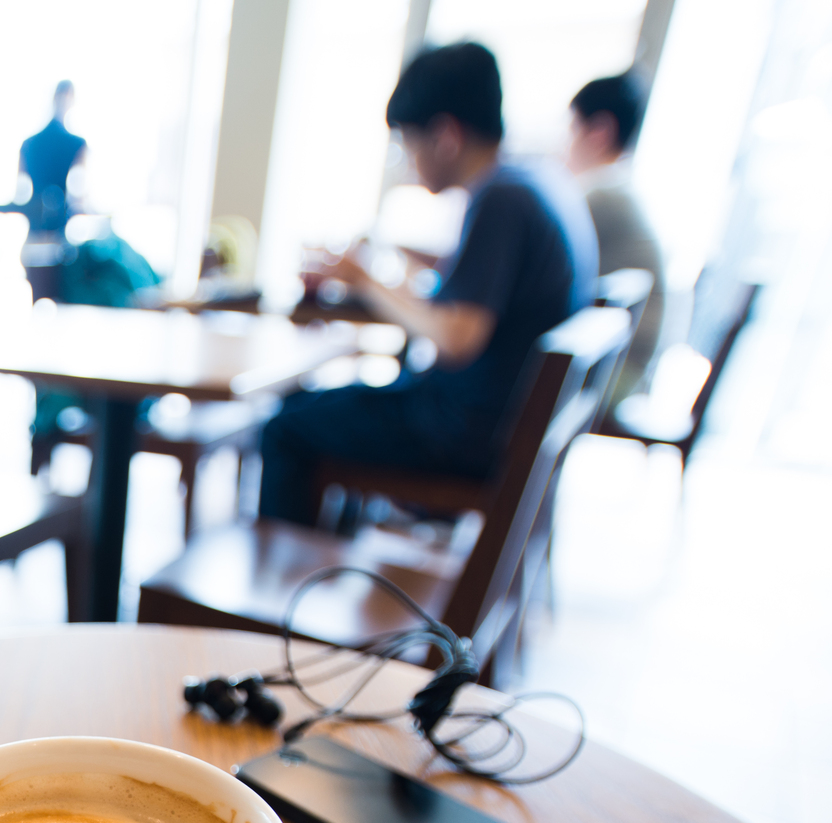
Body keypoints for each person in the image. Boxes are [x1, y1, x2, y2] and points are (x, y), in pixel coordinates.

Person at [256, 42, 597, 527]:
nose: (407, 160)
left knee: (285, 428)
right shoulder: (535, 183)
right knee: (311, 406)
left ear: (445, 135)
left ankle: (281, 582)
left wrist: (362, 278)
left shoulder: (500, 200)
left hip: (466, 433)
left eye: (408, 144)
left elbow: (457, 338)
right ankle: (327, 560)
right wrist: (395, 256)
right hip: (499, 423)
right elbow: (477, 290)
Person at [568, 72, 664, 403]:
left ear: (599, 131)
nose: (565, 143)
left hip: (617, 373)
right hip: (630, 364)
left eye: (572, 128)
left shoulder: (602, 193)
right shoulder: (621, 187)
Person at [19, 81, 87, 239]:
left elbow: (20, 191)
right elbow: (80, 194)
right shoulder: (78, 145)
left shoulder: (28, 144)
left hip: (34, 230)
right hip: (59, 232)